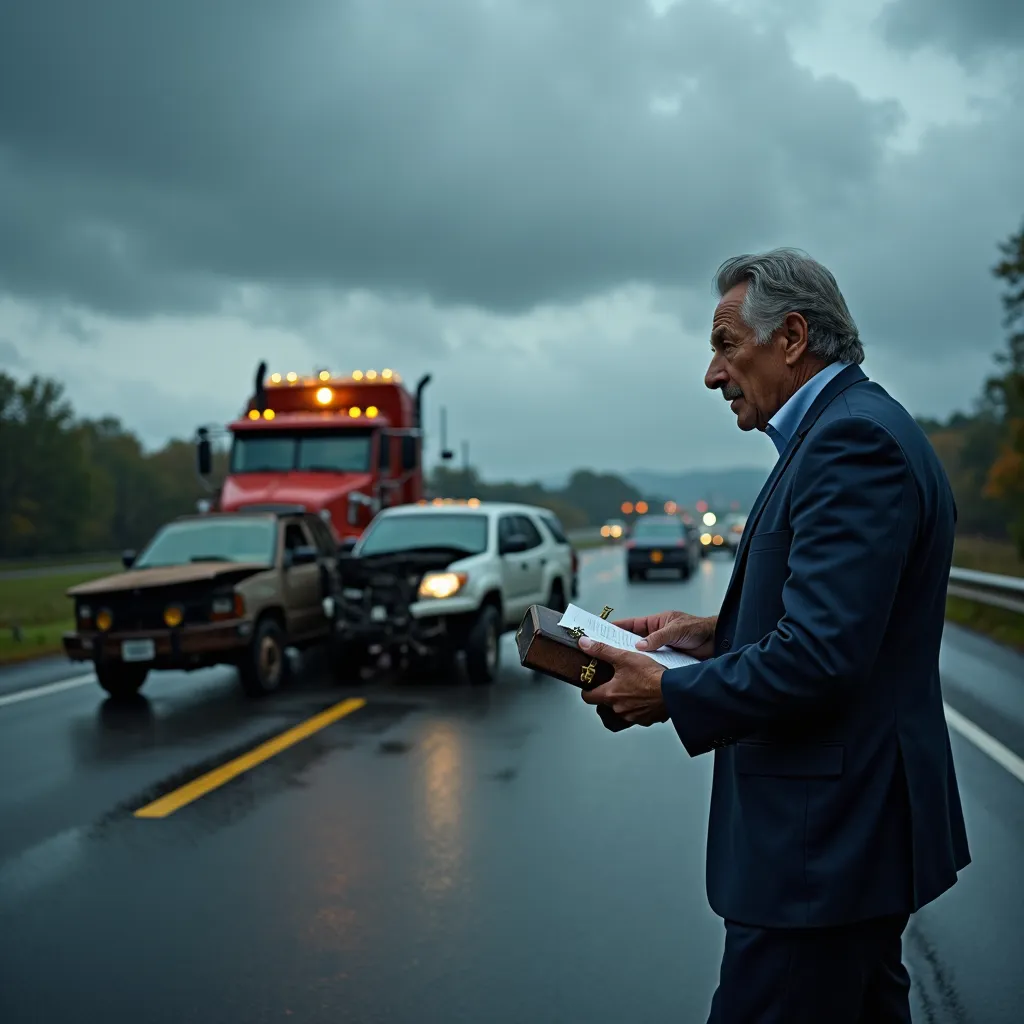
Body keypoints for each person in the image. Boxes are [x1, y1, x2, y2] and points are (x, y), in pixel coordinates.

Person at [577, 248, 970, 1023]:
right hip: (839, 848)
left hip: (819, 853)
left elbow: (822, 656)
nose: (712, 374)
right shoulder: (844, 431)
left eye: (726, 345)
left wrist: (669, 690)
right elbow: (851, 620)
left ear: (791, 338)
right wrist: (713, 632)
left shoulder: (851, 446)